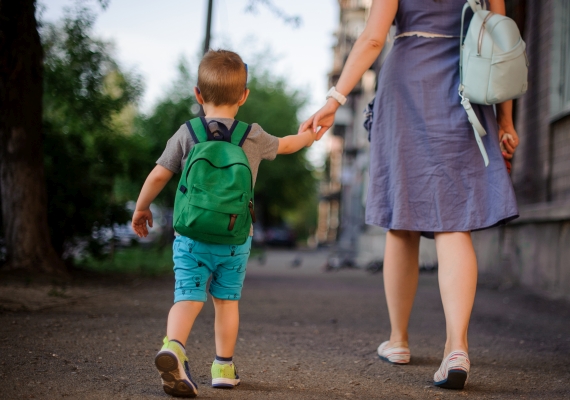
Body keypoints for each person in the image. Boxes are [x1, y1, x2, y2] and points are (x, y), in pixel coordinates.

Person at [301, 0, 519, 390]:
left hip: (406, 87)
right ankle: (456, 347)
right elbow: (499, 36)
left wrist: (334, 99)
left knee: (401, 218)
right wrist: (505, 119)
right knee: (454, 221)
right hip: (465, 86)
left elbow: (371, 38)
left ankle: (398, 340)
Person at [131, 49, 315, 398]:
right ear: (244, 96)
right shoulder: (253, 136)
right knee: (226, 302)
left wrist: (142, 209)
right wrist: (310, 135)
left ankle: (175, 347)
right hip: (234, 239)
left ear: (198, 95)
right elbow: (290, 145)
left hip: (190, 236)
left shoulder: (187, 133)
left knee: (188, 297)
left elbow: (158, 175)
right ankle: (223, 368)